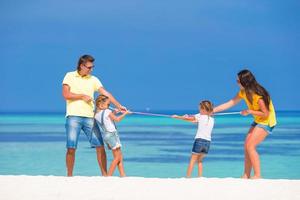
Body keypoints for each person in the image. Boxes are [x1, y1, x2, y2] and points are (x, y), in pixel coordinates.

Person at [62, 54, 126, 176]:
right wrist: (81, 96)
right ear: (81, 66)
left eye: (93, 67)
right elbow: (66, 94)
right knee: (71, 148)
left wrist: (118, 105)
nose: (91, 70)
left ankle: (105, 176)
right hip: (73, 117)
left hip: (90, 118)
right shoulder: (69, 76)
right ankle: (69, 176)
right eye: (89, 67)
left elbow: (106, 93)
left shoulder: (93, 79)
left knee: (100, 146)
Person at [213, 69, 277, 179]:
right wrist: (212, 111)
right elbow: (230, 103)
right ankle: (246, 175)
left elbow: (266, 114)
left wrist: (250, 111)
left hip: (267, 121)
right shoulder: (243, 93)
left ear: (245, 82)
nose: (236, 82)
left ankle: (258, 175)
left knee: (250, 146)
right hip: (258, 120)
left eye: (238, 81)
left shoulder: (259, 95)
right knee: (246, 146)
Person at [172, 100, 214, 178]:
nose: (199, 111)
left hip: (199, 141)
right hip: (207, 143)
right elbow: (194, 120)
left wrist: (178, 117)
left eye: (200, 109)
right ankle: (200, 177)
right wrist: (187, 117)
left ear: (203, 109)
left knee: (192, 160)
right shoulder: (212, 119)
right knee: (200, 161)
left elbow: (191, 119)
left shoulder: (200, 116)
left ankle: (188, 177)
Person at [94, 95, 130, 177]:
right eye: (108, 105)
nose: (109, 107)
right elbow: (117, 120)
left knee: (119, 155)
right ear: (101, 105)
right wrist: (125, 113)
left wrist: (114, 112)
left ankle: (122, 175)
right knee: (117, 157)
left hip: (106, 135)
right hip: (112, 135)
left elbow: (106, 118)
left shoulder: (96, 115)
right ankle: (109, 175)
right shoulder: (107, 112)